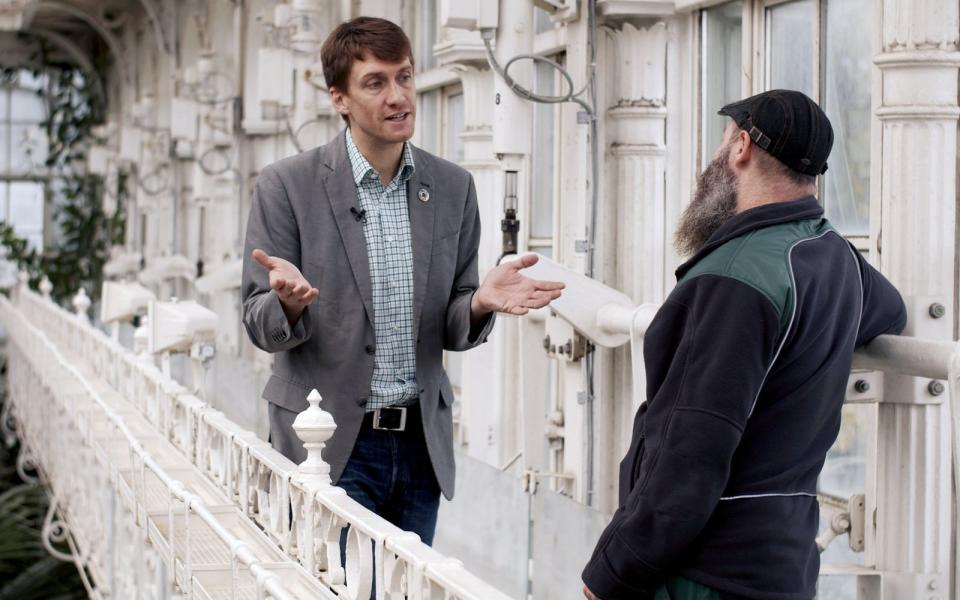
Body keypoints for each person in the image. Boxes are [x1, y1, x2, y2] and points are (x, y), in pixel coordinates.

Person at [241, 16, 563, 546]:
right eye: (376, 83)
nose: (399, 96)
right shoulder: (287, 185)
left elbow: (454, 323)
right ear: (339, 99)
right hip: (327, 442)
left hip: (419, 446)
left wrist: (479, 302)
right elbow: (258, 321)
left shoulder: (454, 186)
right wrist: (290, 305)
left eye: (406, 77)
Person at [581, 90, 906, 600]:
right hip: (783, 567)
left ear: (742, 148)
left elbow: (689, 455)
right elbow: (891, 312)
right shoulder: (833, 257)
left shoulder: (732, 279)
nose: (715, 157)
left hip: (707, 573)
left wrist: (611, 574)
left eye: (722, 142)